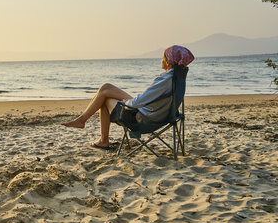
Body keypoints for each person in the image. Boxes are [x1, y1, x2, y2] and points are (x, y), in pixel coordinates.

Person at [62, 45, 194, 150]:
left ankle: (101, 139)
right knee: (106, 87)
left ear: (169, 60)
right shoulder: (177, 77)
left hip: (144, 119)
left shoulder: (165, 80)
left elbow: (139, 102)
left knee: (104, 99)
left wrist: (128, 102)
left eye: (164, 57)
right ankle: (82, 121)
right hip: (160, 115)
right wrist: (130, 101)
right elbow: (146, 100)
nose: (162, 59)